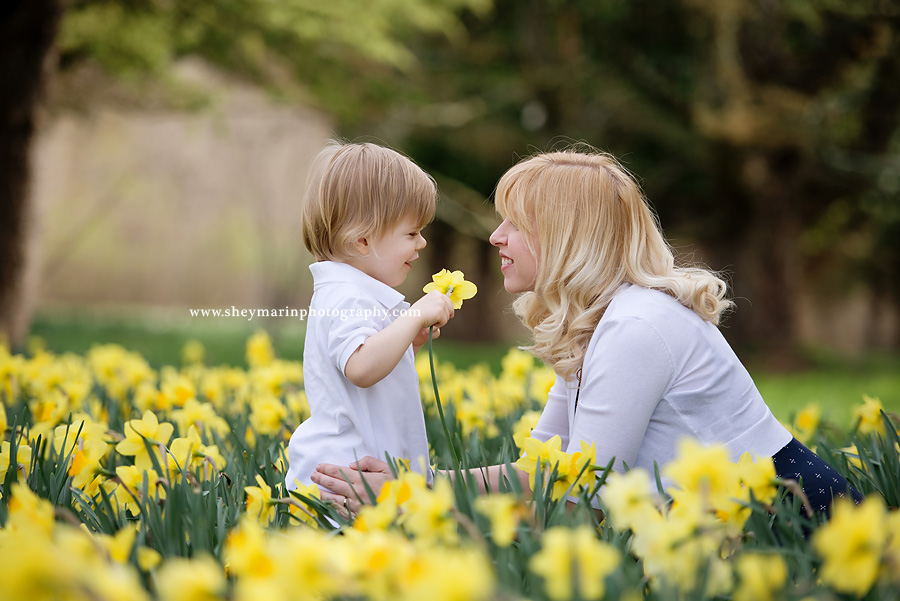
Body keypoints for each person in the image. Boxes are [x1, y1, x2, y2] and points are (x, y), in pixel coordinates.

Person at [311, 146, 862, 516]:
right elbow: (544, 470)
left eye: (516, 223)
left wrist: (411, 494)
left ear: (566, 236)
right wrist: (413, 491)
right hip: (734, 520)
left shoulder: (637, 326)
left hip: (791, 517)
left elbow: (582, 489)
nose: (497, 237)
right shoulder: (600, 323)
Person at [285, 140, 455, 495]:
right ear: (362, 240)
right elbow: (361, 368)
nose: (422, 243)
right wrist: (414, 316)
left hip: (361, 472)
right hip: (345, 481)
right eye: (411, 233)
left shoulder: (357, 294)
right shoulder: (346, 296)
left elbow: (373, 376)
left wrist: (407, 340)